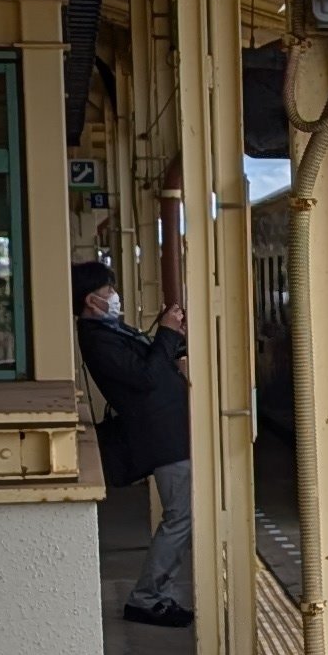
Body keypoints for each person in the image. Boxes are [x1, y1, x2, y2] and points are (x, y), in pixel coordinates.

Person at [75, 260, 193, 626]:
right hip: (162, 438)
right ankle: (147, 597)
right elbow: (145, 379)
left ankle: (157, 594)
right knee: (180, 516)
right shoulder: (97, 339)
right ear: (90, 300)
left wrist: (170, 338)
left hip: (170, 432)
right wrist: (168, 335)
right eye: (107, 291)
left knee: (182, 515)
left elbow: (151, 363)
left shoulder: (111, 330)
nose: (114, 296)